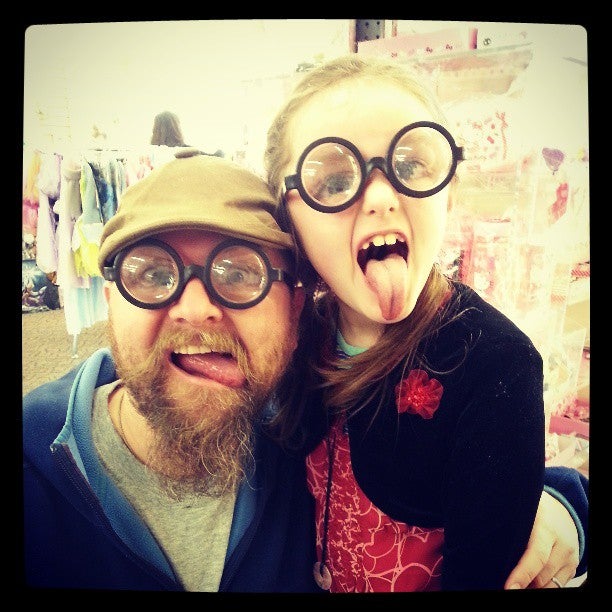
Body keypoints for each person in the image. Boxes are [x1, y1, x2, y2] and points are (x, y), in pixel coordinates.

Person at [22, 151, 586, 592]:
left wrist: (561, 507)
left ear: (296, 310)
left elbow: (465, 465)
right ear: (110, 299)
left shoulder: (299, 425)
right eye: (150, 273)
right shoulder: (35, 472)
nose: (195, 308)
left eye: (239, 274)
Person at [263, 54, 589, 592]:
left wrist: (566, 503)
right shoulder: (294, 337)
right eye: (334, 179)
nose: (381, 197)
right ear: (288, 216)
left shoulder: (495, 367)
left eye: (411, 165)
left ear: (450, 192)